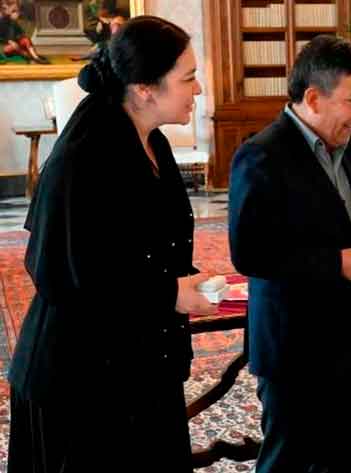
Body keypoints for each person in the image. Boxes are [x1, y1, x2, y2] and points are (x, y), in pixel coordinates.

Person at [6, 16, 215, 473]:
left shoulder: (150, 140)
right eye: (188, 78)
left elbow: (142, 248)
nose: (197, 89)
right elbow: (69, 276)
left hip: (135, 367)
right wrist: (170, 292)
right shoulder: (85, 157)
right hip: (80, 383)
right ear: (144, 88)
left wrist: (181, 280)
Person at [228, 35, 351, 472]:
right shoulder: (260, 155)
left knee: (336, 456)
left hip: (347, 335)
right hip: (292, 343)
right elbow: (250, 253)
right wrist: (341, 262)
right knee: (288, 460)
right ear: (313, 98)